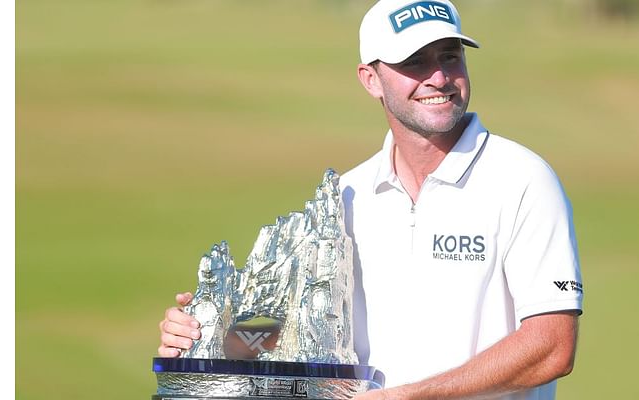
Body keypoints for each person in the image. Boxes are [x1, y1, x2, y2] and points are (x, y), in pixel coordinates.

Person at [158, 0, 584, 398]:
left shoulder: (522, 179)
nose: (438, 78)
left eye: (449, 56)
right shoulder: (348, 195)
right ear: (370, 79)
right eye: (415, 62)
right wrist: (207, 332)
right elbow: (290, 327)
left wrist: (405, 396)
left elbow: (551, 346)